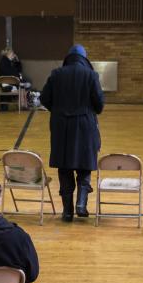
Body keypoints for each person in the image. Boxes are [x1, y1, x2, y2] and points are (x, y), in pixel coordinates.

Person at [40, 44, 104, 222]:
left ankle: (67, 211)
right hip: (85, 124)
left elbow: (44, 99)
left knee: (65, 166)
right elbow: (99, 105)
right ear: (85, 58)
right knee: (84, 164)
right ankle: (81, 204)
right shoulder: (91, 75)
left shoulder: (56, 74)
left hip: (61, 126)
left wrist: (58, 110)